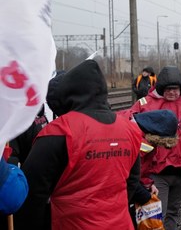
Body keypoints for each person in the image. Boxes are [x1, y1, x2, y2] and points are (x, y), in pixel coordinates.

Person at [15, 60, 142, 230]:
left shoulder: (58, 132)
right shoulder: (130, 130)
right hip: (120, 223)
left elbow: (31, 195)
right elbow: (132, 180)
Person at [122, 66, 181, 230]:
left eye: (176, 89)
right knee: (158, 214)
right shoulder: (145, 104)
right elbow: (129, 123)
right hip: (157, 173)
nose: (173, 93)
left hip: (180, 171)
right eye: (169, 89)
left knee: (173, 213)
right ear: (161, 88)